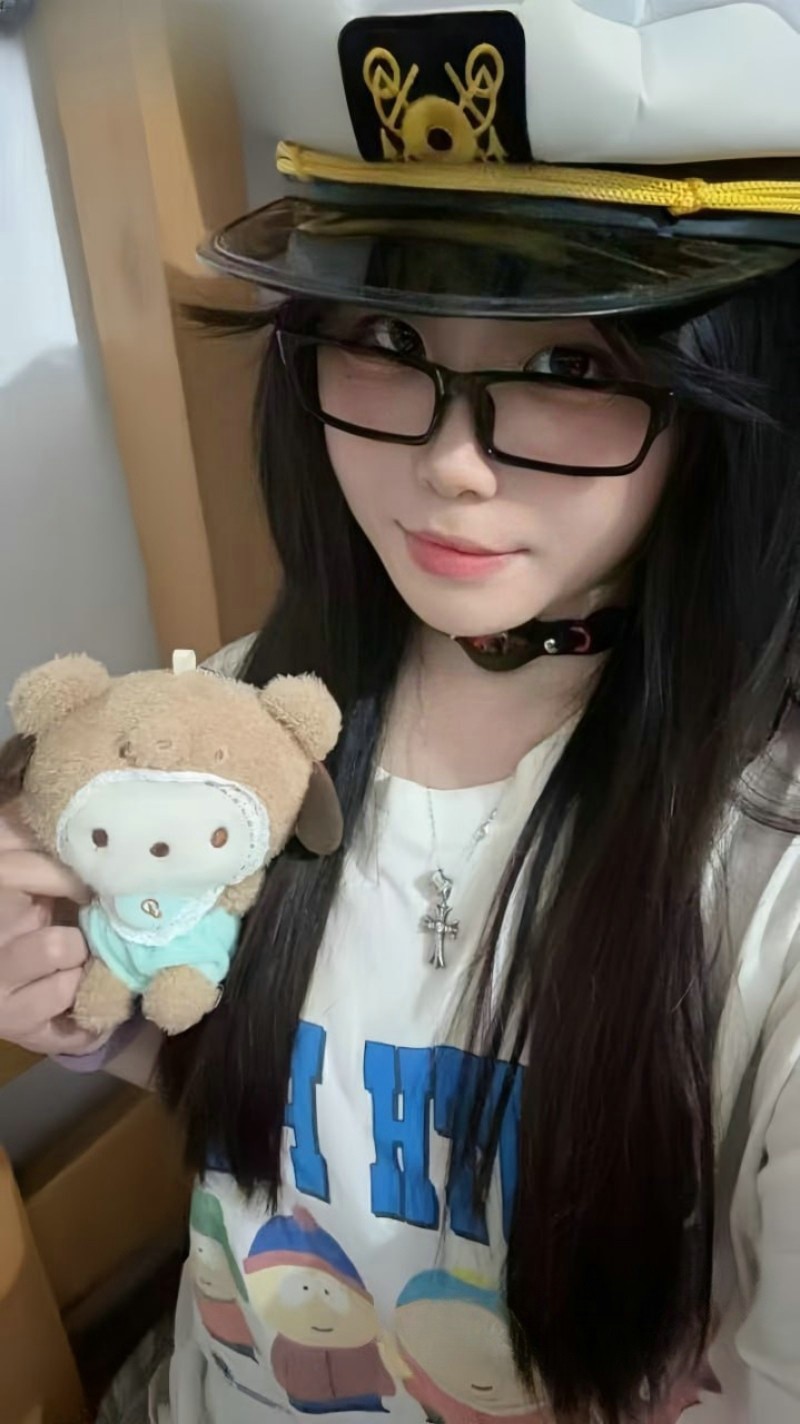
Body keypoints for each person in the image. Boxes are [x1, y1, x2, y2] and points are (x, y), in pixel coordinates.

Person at [1, 3, 799, 1421]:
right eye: (383, 333)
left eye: (569, 366)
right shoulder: (241, 721)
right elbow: (284, 1113)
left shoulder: (767, 870)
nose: (451, 462)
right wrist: (81, 997)